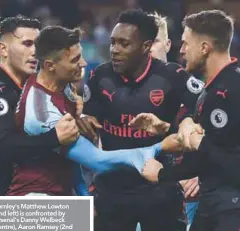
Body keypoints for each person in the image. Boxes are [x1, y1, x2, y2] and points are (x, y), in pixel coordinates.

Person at [7, 25, 184, 197]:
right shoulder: (42, 114)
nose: (83, 63)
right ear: (50, 65)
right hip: (36, 199)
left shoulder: (59, 84)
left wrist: (84, 197)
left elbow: (72, 158)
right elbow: (98, 161)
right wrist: (158, 147)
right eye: (75, 60)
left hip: (61, 194)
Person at [81, 9, 204, 231]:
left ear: (146, 46)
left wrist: (195, 169)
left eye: (124, 44)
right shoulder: (99, 76)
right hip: (112, 192)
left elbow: (207, 119)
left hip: (159, 189)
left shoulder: (173, 77)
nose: (114, 50)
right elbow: (90, 128)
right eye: (112, 43)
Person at [135, 10, 240, 231]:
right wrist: (172, 128)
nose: (181, 51)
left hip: (231, 208)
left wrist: (164, 173)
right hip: (213, 204)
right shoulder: (212, 88)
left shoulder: (231, 90)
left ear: (204, 47)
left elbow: (228, 161)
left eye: (185, 44)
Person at [0, 15, 80, 228]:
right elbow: (5, 145)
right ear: (3, 49)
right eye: (26, 44)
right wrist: (54, 138)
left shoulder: (34, 89)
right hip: (5, 204)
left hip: (43, 194)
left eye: (38, 44)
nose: (35, 52)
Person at [148, 12, 199, 230]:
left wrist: (200, 175)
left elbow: (224, 138)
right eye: (144, 42)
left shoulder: (193, 88)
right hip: (141, 190)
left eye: (155, 41)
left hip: (189, 193)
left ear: (168, 44)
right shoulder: (124, 91)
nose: (148, 48)